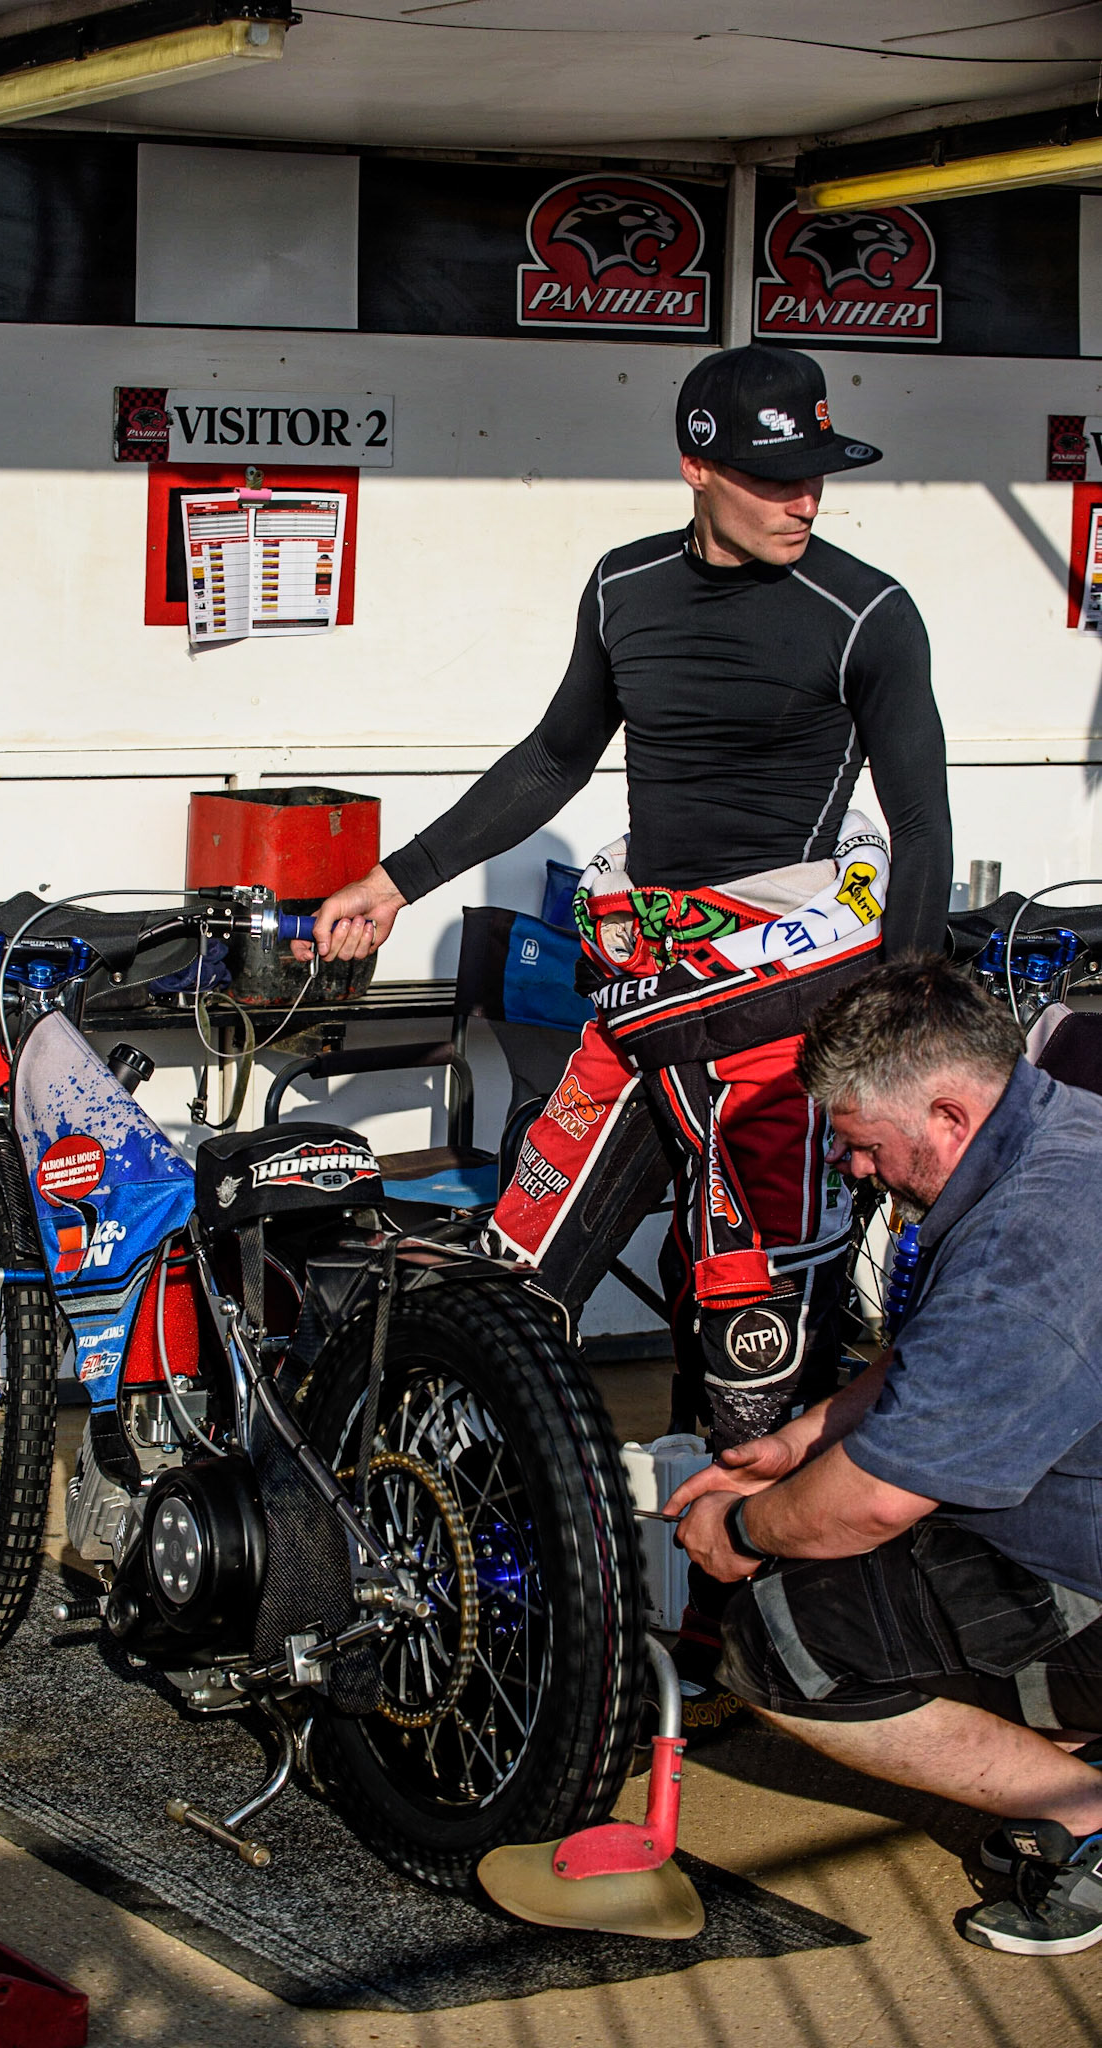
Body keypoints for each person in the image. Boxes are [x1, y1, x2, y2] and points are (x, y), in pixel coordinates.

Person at [295, 343, 952, 1686]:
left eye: (815, 475)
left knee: (752, 1373)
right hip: (634, 1017)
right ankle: (464, 1603)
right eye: (769, 478)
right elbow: (551, 756)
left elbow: (925, 845)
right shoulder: (622, 587)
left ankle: (742, 1667)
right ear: (693, 466)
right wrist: (393, 875)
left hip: (780, 1043)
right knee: (503, 1291)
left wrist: (906, 1045)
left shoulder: (866, 612)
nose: (799, 502)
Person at [667, 955, 1102, 1955]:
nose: (854, 1171)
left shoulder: (1022, 1247)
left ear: (947, 1112)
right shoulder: (1059, 1124)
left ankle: (1085, 1817)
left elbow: (866, 1505)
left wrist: (736, 1526)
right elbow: (927, 1349)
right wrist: (793, 1439)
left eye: (863, 1146)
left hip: (1083, 1568)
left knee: (779, 1636)